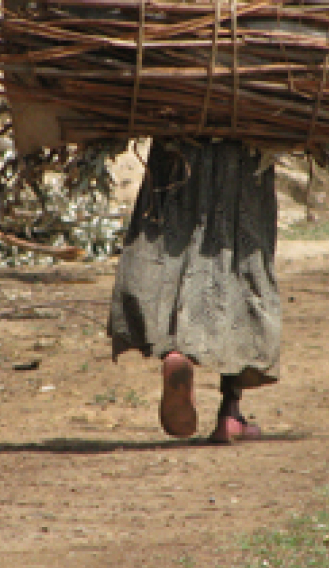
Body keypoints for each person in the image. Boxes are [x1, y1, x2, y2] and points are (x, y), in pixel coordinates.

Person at [107, 138, 281, 443]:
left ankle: (175, 349)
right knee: (238, 264)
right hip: (243, 144)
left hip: (178, 141)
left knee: (170, 248)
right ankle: (230, 410)